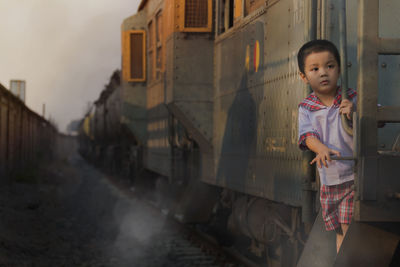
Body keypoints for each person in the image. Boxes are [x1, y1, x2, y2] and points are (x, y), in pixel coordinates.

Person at [297, 39, 356, 253]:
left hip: (353, 176)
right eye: (315, 69)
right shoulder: (307, 107)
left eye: (330, 66)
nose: (323, 73)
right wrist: (320, 148)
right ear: (303, 76)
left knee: (348, 227)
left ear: (339, 70)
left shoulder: (350, 97)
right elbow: (307, 135)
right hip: (329, 180)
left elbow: (375, 117)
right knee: (339, 229)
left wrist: (355, 112)